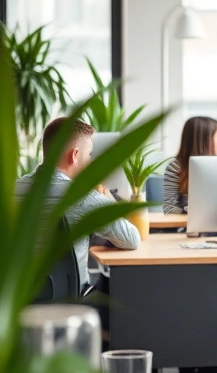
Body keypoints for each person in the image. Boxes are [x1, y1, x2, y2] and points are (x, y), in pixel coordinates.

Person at [15, 118, 141, 290]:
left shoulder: (12, 191)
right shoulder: (81, 196)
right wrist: (107, 198)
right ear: (74, 155)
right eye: (89, 154)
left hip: (16, 304)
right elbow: (132, 239)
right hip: (69, 304)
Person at [163, 116, 217, 214]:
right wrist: (189, 213)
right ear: (205, 139)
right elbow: (169, 209)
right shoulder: (176, 167)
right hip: (186, 227)